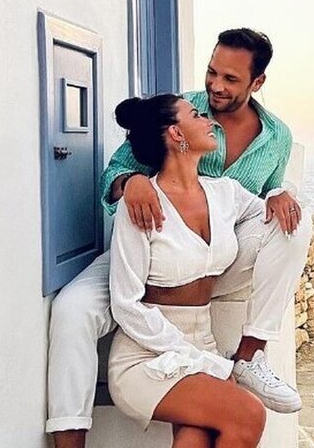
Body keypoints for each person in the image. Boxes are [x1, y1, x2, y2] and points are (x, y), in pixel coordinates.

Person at [47, 28, 313, 448]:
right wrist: (131, 182)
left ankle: (251, 354)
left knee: (295, 222)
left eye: (230, 79)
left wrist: (281, 193)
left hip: (217, 254)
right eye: (212, 72)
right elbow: (115, 172)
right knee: (73, 309)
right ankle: (70, 440)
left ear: (257, 82)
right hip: (156, 245)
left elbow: (262, 202)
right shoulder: (176, 111)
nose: (215, 86)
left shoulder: (274, 139)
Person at [107, 93, 266, 447]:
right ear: (176, 133)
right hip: (146, 353)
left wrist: (282, 193)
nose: (210, 122)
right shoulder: (142, 203)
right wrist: (200, 361)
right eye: (196, 115)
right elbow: (125, 304)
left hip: (203, 341)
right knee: (248, 414)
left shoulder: (226, 193)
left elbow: (266, 217)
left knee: (197, 437)